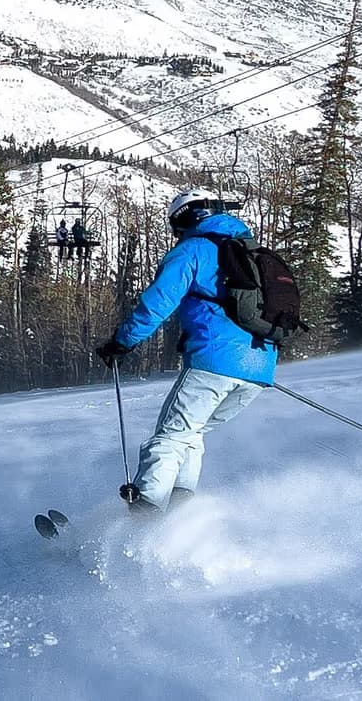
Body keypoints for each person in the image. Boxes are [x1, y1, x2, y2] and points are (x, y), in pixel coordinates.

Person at [94, 190, 275, 515]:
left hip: (214, 361)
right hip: (260, 368)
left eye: (176, 228)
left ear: (184, 220)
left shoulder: (194, 250)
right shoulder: (251, 252)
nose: (176, 235)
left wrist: (120, 343)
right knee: (192, 431)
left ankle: (145, 512)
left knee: (171, 435)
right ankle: (180, 511)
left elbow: (157, 303)